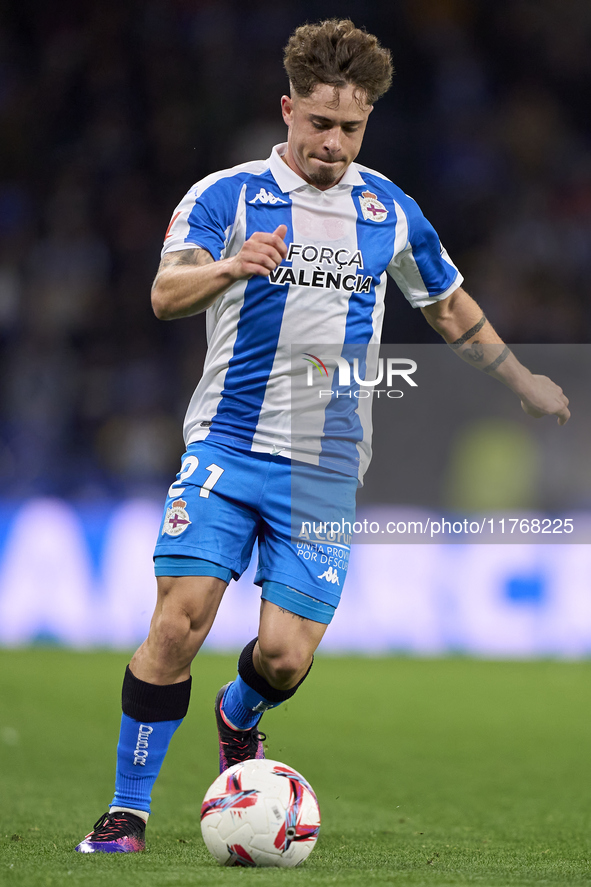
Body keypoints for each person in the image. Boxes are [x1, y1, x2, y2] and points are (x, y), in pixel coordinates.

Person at [75, 18, 570, 854]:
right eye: (319, 124)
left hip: (326, 470)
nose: (333, 144)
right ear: (287, 110)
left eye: (351, 127)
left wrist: (521, 379)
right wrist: (229, 266)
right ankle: (126, 812)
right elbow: (165, 293)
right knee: (177, 623)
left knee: (282, 659)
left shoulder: (388, 209)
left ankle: (241, 715)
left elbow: (445, 302)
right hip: (227, 448)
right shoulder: (226, 196)